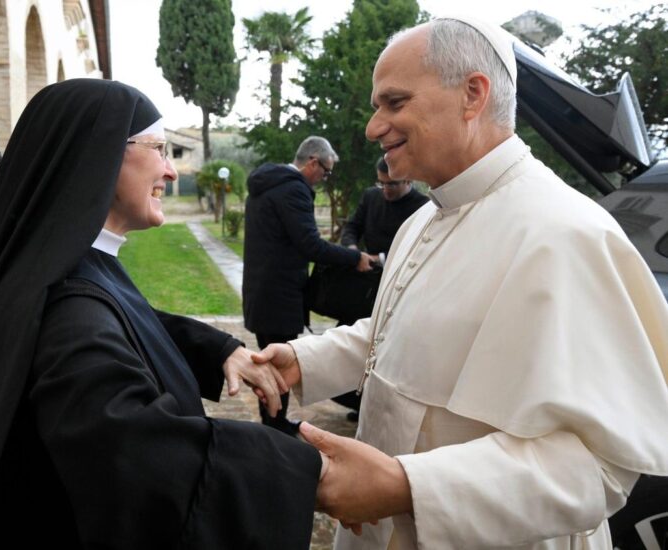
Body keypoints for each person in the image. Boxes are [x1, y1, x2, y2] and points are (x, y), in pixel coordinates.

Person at [253, 15, 668, 549]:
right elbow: (392, 335)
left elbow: (601, 468)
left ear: (472, 94)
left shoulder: (568, 234)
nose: (373, 127)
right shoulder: (423, 219)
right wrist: (302, 360)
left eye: (394, 103)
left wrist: (408, 487)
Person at [0, 79, 323, 549]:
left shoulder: (78, 265)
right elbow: (136, 454)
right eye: (160, 148)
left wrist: (220, 349)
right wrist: (306, 472)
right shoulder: (69, 300)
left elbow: (129, 316)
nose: (170, 171)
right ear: (104, 152)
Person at [242, 136, 374, 435]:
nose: (324, 178)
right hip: (279, 293)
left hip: (261, 288)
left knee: (271, 357)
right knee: (277, 361)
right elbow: (310, 245)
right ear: (313, 162)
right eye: (325, 171)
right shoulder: (293, 190)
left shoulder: (267, 184)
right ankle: (274, 425)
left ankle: (273, 421)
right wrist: (354, 258)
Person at [332, 157, 428, 419]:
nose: (385, 189)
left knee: (384, 352)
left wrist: (381, 259)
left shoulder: (424, 207)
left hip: (398, 288)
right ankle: (355, 402)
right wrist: (352, 250)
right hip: (362, 285)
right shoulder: (371, 197)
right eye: (381, 183)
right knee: (352, 342)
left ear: (408, 179)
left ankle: (371, 405)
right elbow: (352, 227)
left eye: (392, 184)